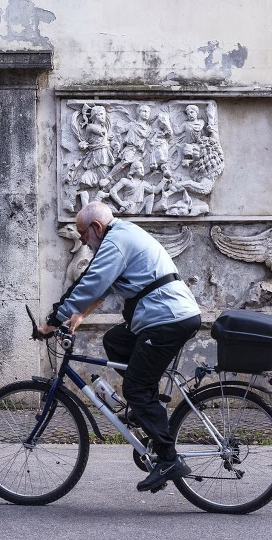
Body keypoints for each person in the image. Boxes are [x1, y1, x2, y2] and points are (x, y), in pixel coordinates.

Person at [37, 201, 202, 493]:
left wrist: (54, 318)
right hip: (164, 316)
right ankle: (144, 410)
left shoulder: (116, 241)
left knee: (136, 389)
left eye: (83, 235)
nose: (83, 242)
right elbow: (105, 289)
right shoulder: (121, 236)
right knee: (115, 340)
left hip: (167, 319)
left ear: (96, 228)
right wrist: (78, 317)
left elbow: (90, 283)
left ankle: (168, 459)